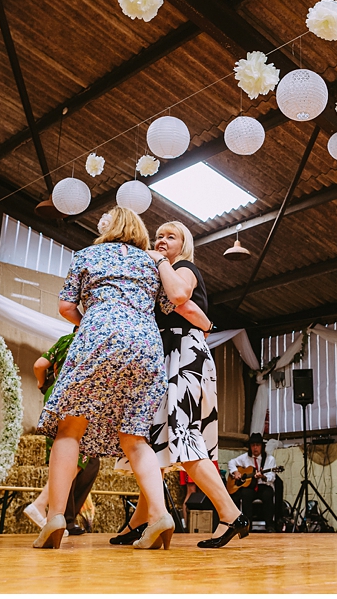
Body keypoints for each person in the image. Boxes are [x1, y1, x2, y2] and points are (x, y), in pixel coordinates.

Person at [33, 206, 174, 550]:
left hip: (98, 331)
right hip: (145, 341)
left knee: (70, 426)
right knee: (135, 435)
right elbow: (168, 307)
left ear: (109, 227)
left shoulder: (87, 254)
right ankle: (159, 514)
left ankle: (55, 516)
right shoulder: (150, 262)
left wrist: (94, 322)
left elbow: (66, 307)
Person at [111, 221, 248, 549]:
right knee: (155, 440)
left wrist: (161, 262)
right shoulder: (159, 275)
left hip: (183, 353)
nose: (161, 240)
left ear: (183, 246)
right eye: (158, 236)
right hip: (166, 354)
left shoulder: (183, 267)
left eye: (170, 237)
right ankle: (142, 519)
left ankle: (230, 514)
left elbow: (181, 299)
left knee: (183, 436)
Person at [25, 337, 101, 537]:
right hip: (78, 396)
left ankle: (57, 516)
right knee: (78, 456)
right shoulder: (96, 339)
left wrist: (43, 383)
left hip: (55, 394)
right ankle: (44, 506)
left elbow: (39, 364)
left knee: (67, 456)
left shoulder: (66, 340)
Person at [227, 433, 278, 530]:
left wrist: (263, 476)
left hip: (263, 485)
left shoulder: (269, 459)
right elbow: (231, 462)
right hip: (250, 486)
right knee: (245, 494)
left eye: (257, 445)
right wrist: (236, 472)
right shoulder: (245, 457)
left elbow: (272, 477)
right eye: (253, 445)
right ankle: (247, 525)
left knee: (268, 494)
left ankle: (270, 525)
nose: (255, 448)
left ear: (262, 446)